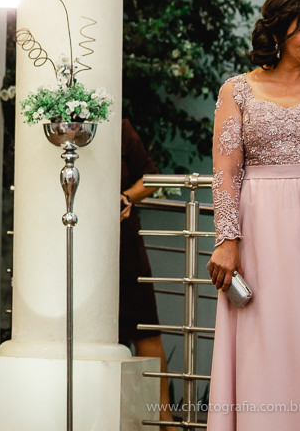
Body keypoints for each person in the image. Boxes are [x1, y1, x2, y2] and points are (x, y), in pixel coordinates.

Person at [205, 0, 300, 431]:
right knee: (262, 337)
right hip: (258, 230)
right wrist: (226, 241)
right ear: (278, 29)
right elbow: (226, 171)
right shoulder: (237, 89)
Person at [116, 118, 172, 424]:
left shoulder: (121, 127)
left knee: (146, 330)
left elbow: (151, 178)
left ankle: (164, 420)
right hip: (74, 244)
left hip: (124, 243)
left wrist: (126, 198)